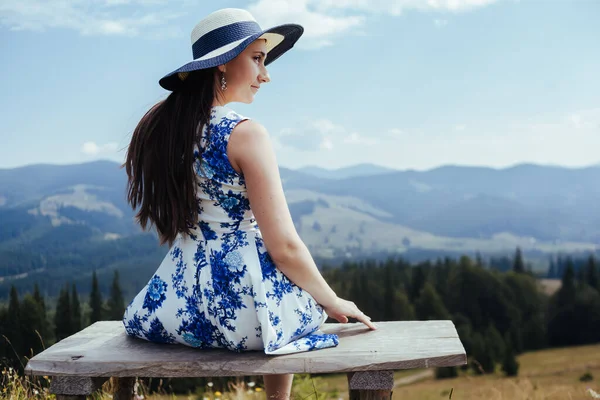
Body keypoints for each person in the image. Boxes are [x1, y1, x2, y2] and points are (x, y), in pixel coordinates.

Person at [121, 8, 376, 399]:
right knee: (294, 304)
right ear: (221, 66)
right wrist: (333, 300)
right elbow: (285, 248)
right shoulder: (244, 134)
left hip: (171, 306)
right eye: (257, 58)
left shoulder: (167, 131)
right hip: (241, 314)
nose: (265, 74)